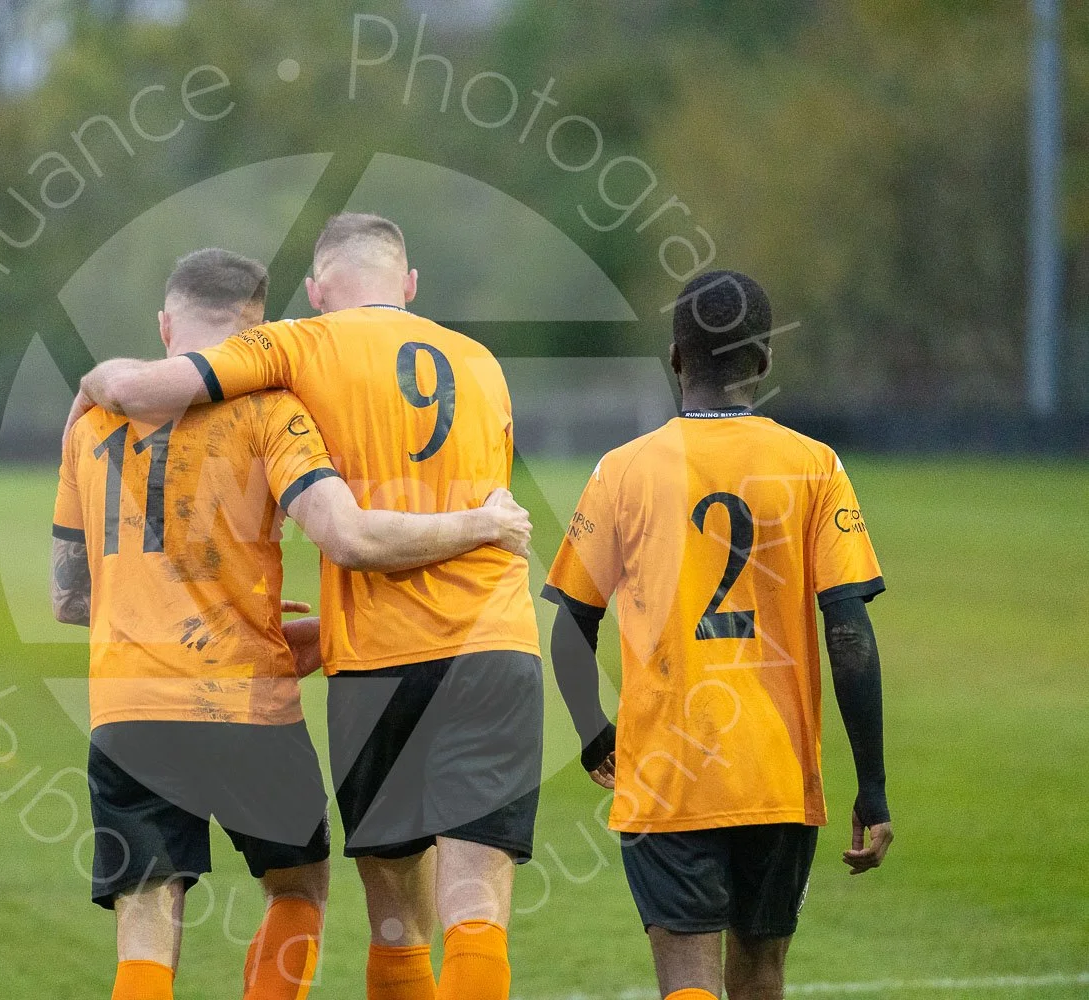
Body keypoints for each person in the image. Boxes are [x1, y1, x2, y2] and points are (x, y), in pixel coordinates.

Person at [70, 215, 542, 1000]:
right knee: (466, 903)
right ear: (411, 283)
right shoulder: (483, 364)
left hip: (367, 664)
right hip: (491, 642)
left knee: (394, 911)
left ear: (318, 292)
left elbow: (73, 582)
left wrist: (94, 386)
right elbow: (399, 516)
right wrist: (486, 525)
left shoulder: (295, 348)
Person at [542, 270, 893, 1000]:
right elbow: (850, 630)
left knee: (686, 979)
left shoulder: (621, 472)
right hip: (776, 771)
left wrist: (591, 731)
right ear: (763, 362)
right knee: (761, 972)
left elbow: (571, 624)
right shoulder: (815, 467)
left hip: (668, 767)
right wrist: (874, 785)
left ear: (675, 358)